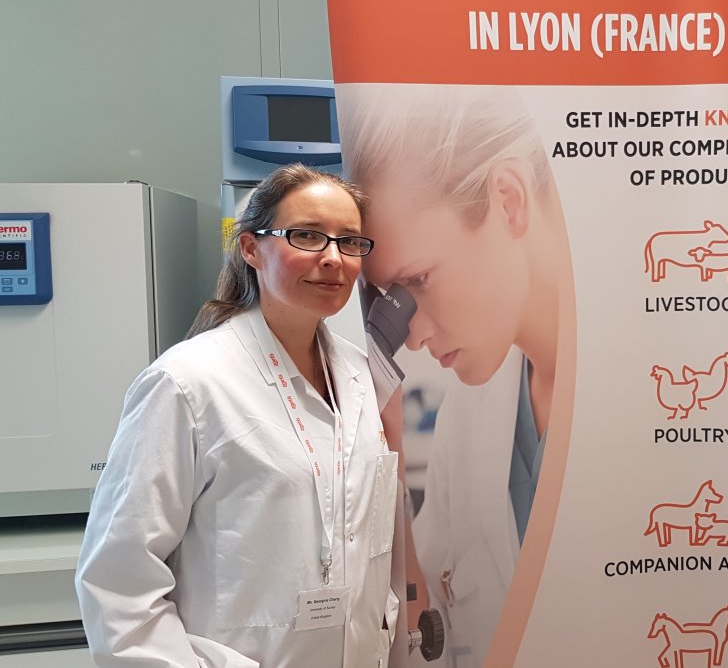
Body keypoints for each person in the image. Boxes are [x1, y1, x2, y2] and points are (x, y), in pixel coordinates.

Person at [76, 164, 401, 667]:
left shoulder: (361, 376)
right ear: (251, 248)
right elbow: (118, 583)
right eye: (308, 236)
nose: (333, 259)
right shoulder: (187, 384)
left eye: (350, 241)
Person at [338, 85, 572, 667]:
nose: (413, 335)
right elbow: (432, 629)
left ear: (508, 199)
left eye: (419, 279)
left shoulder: (656, 384)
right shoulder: (474, 410)